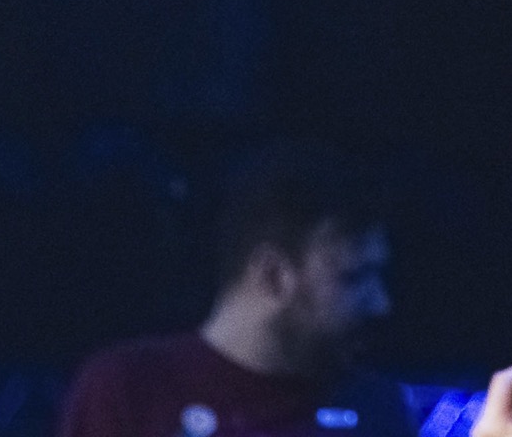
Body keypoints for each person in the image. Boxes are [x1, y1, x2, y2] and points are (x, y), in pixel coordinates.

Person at [57, 141, 414, 437]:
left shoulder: (377, 407)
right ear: (273, 276)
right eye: (353, 277)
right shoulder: (128, 389)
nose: (381, 303)